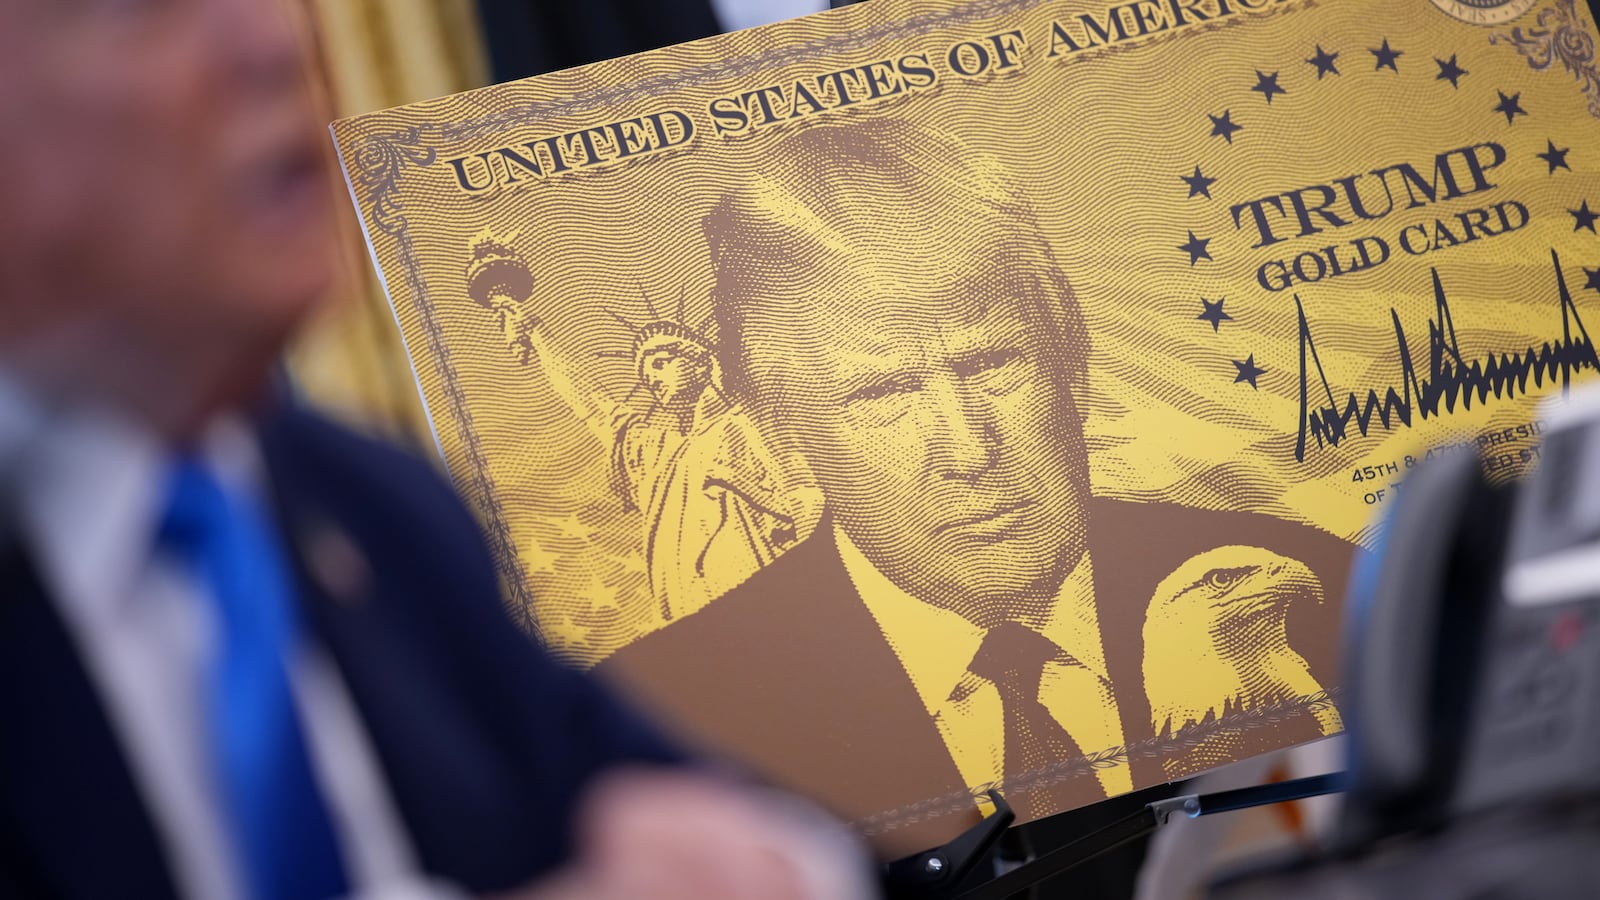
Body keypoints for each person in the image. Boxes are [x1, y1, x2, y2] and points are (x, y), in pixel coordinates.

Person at [0, 2, 869, 899]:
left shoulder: (377, 505)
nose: (272, 40)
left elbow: (733, 827)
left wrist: (772, 862)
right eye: (143, 9)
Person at [597, 119, 1358, 881]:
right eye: (884, 392)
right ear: (783, 433)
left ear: (1073, 362)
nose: (968, 450)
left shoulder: (1321, 590)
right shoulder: (673, 733)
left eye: (992, 363)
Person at [463, 235, 809, 623]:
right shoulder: (656, 451)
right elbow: (593, 405)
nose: (652, 380)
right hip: (689, 598)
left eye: (661, 363)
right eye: (645, 376)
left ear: (700, 362)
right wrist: (536, 333)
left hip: (762, 579)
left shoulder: (749, 421)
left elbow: (802, 497)